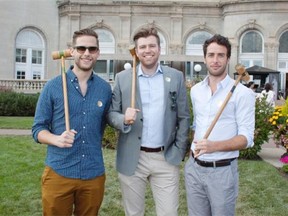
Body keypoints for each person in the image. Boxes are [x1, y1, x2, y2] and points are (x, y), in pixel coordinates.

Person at [107, 27, 190, 216]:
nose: (147, 50)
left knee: (169, 213)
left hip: (166, 158)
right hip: (133, 159)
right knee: (134, 213)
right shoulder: (123, 78)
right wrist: (123, 119)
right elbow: (111, 114)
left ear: (159, 48)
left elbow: (184, 117)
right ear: (136, 51)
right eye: (142, 47)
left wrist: (179, 148)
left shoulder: (175, 77)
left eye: (152, 45)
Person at [32, 28, 112, 215]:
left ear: (98, 53)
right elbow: (38, 129)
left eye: (92, 49)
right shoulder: (53, 86)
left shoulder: (104, 88)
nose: (86, 53)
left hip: (93, 173)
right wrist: (56, 139)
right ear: (72, 51)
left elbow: (106, 121)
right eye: (81, 48)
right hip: (59, 172)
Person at [184, 34, 255, 216]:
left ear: (228, 58)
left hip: (222, 171)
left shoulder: (242, 93)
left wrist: (214, 146)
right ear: (205, 58)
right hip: (194, 168)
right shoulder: (196, 91)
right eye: (211, 55)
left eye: (221, 55)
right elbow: (197, 124)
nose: (215, 60)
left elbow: (247, 138)